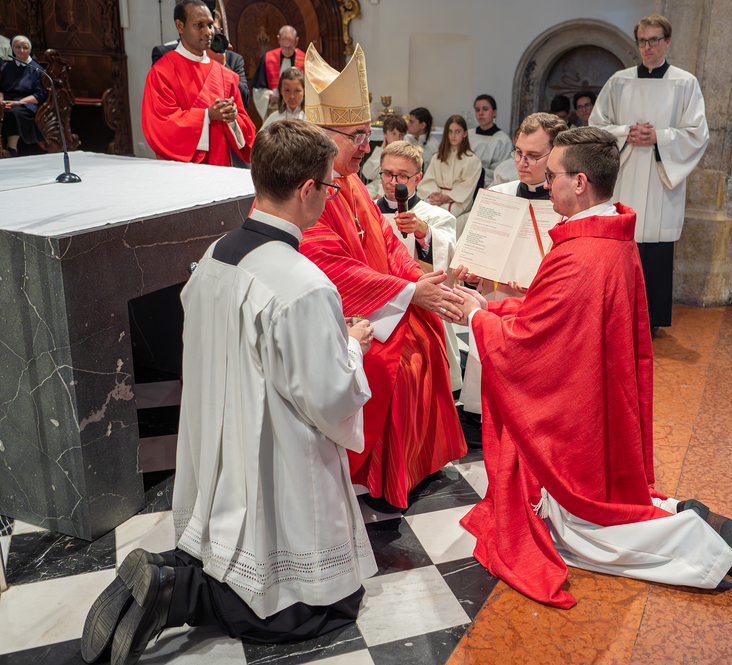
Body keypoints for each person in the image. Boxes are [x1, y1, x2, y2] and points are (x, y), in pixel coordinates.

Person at [79, 119, 376, 665]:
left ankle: (177, 573)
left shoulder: (216, 255)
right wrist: (353, 347)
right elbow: (329, 399)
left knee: (230, 540)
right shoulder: (304, 284)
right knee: (306, 604)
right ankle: (176, 590)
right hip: (275, 451)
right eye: (329, 186)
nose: (330, 196)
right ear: (307, 188)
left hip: (218, 437)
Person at [453, 127, 732, 610]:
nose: (544, 183)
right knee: (608, 492)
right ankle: (672, 510)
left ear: (579, 182)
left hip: (575, 412)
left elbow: (530, 346)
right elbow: (550, 317)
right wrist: (494, 308)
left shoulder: (581, 253)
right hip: (599, 389)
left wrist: (475, 317)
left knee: (580, 529)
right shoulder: (611, 234)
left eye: (552, 175)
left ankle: (696, 547)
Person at [298, 43, 467, 512]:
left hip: (382, 303)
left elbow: (388, 244)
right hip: (346, 317)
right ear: (325, 135)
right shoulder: (310, 188)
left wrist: (420, 284)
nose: (366, 146)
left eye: (366, 133)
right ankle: (375, 471)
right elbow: (328, 264)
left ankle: (415, 464)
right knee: (403, 365)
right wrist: (409, 291)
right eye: (357, 135)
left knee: (428, 340)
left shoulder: (351, 180)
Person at [590, 14, 709, 332]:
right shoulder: (619, 81)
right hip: (625, 177)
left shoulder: (685, 83)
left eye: (654, 40)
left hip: (660, 181)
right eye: (642, 41)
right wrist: (625, 133)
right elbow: (596, 125)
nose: (648, 47)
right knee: (620, 246)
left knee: (654, 249)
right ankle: (614, 318)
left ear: (667, 42)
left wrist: (659, 137)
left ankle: (649, 323)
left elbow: (697, 134)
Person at [454, 112, 567, 431]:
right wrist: (472, 274)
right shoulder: (498, 195)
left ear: (555, 154)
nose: (522, 162)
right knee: (488, 385)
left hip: (538, 304)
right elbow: (474, 254)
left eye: (533, 155)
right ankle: (481, 417)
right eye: (518, 152)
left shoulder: (564, 204)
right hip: (494, 298)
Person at [375, 140, 463, 391]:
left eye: (402, 176)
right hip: (379, 307)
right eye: (387, 174)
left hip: (421, 311)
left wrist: (424, 232)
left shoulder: (437, 216)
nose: (393, 182)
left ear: (418, 178)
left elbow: (449, 262)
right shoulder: (368, 212)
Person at [141, 0, 254, 166]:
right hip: (182, 169)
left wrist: (232, 118)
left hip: (220, 164)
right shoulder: (162, 72)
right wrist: (207, 115)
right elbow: (161, 124)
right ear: (180, 26)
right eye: (199, 25)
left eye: (210, 25)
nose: (208, 32)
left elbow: (247, 129)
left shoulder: (226, 75)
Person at [151, 13, 250, 110]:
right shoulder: (166, 54)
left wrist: (221, 66)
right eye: (200, 27)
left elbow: (244, 100)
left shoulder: (232, 59)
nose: (208, 34)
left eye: (213, 29)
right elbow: (162, 100)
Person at [417, 114, 483, 235]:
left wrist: (446, 197)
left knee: (442, 217)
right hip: (436, 198)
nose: (453, 135)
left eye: (458, 131)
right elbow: (429, 179)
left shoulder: (472, 160)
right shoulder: (437, 157)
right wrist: (434, 195)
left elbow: (467, 186)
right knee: (422, 214)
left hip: (457, 201)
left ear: (465, 133)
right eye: (450, 131)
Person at [0, 36, 47, 157]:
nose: (21, 51)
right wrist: (1, 100)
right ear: (12, 48)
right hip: (6, 101)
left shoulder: (36, 69)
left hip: (25, 104)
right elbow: (1, 88)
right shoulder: (6, 67)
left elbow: (40, 94)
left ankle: (12, 148)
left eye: (25, 48)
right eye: (18, 47)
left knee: (12, 113)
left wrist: (18, 102)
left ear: (30, 50)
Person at [250, 25, 305, 122]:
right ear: (278, 40)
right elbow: (258, 90)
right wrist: (268, 96)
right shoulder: (268, 59)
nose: (287, 51)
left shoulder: (305, 60)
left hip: (299, 112)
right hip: (276, 109)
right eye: (284, 47)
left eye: (290, 47)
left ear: (296, 42)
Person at [469, 94, 513, 185]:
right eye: (477, 110)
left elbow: (502, 171)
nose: (480, 113)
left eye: (485, 109)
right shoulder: (468, 135)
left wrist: (479, 172)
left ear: (494, 112)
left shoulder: (503, 140)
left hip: (487, 184)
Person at [361, 113, 407, 199]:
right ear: (385, 134)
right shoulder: (382, 151)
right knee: (362, 194)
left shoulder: (404, 155)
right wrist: (381, 150)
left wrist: (381, 194)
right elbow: (367, 173)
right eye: (393, 133)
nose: (397, 139)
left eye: (401, 135)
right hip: (377, 185)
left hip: (394, 188)